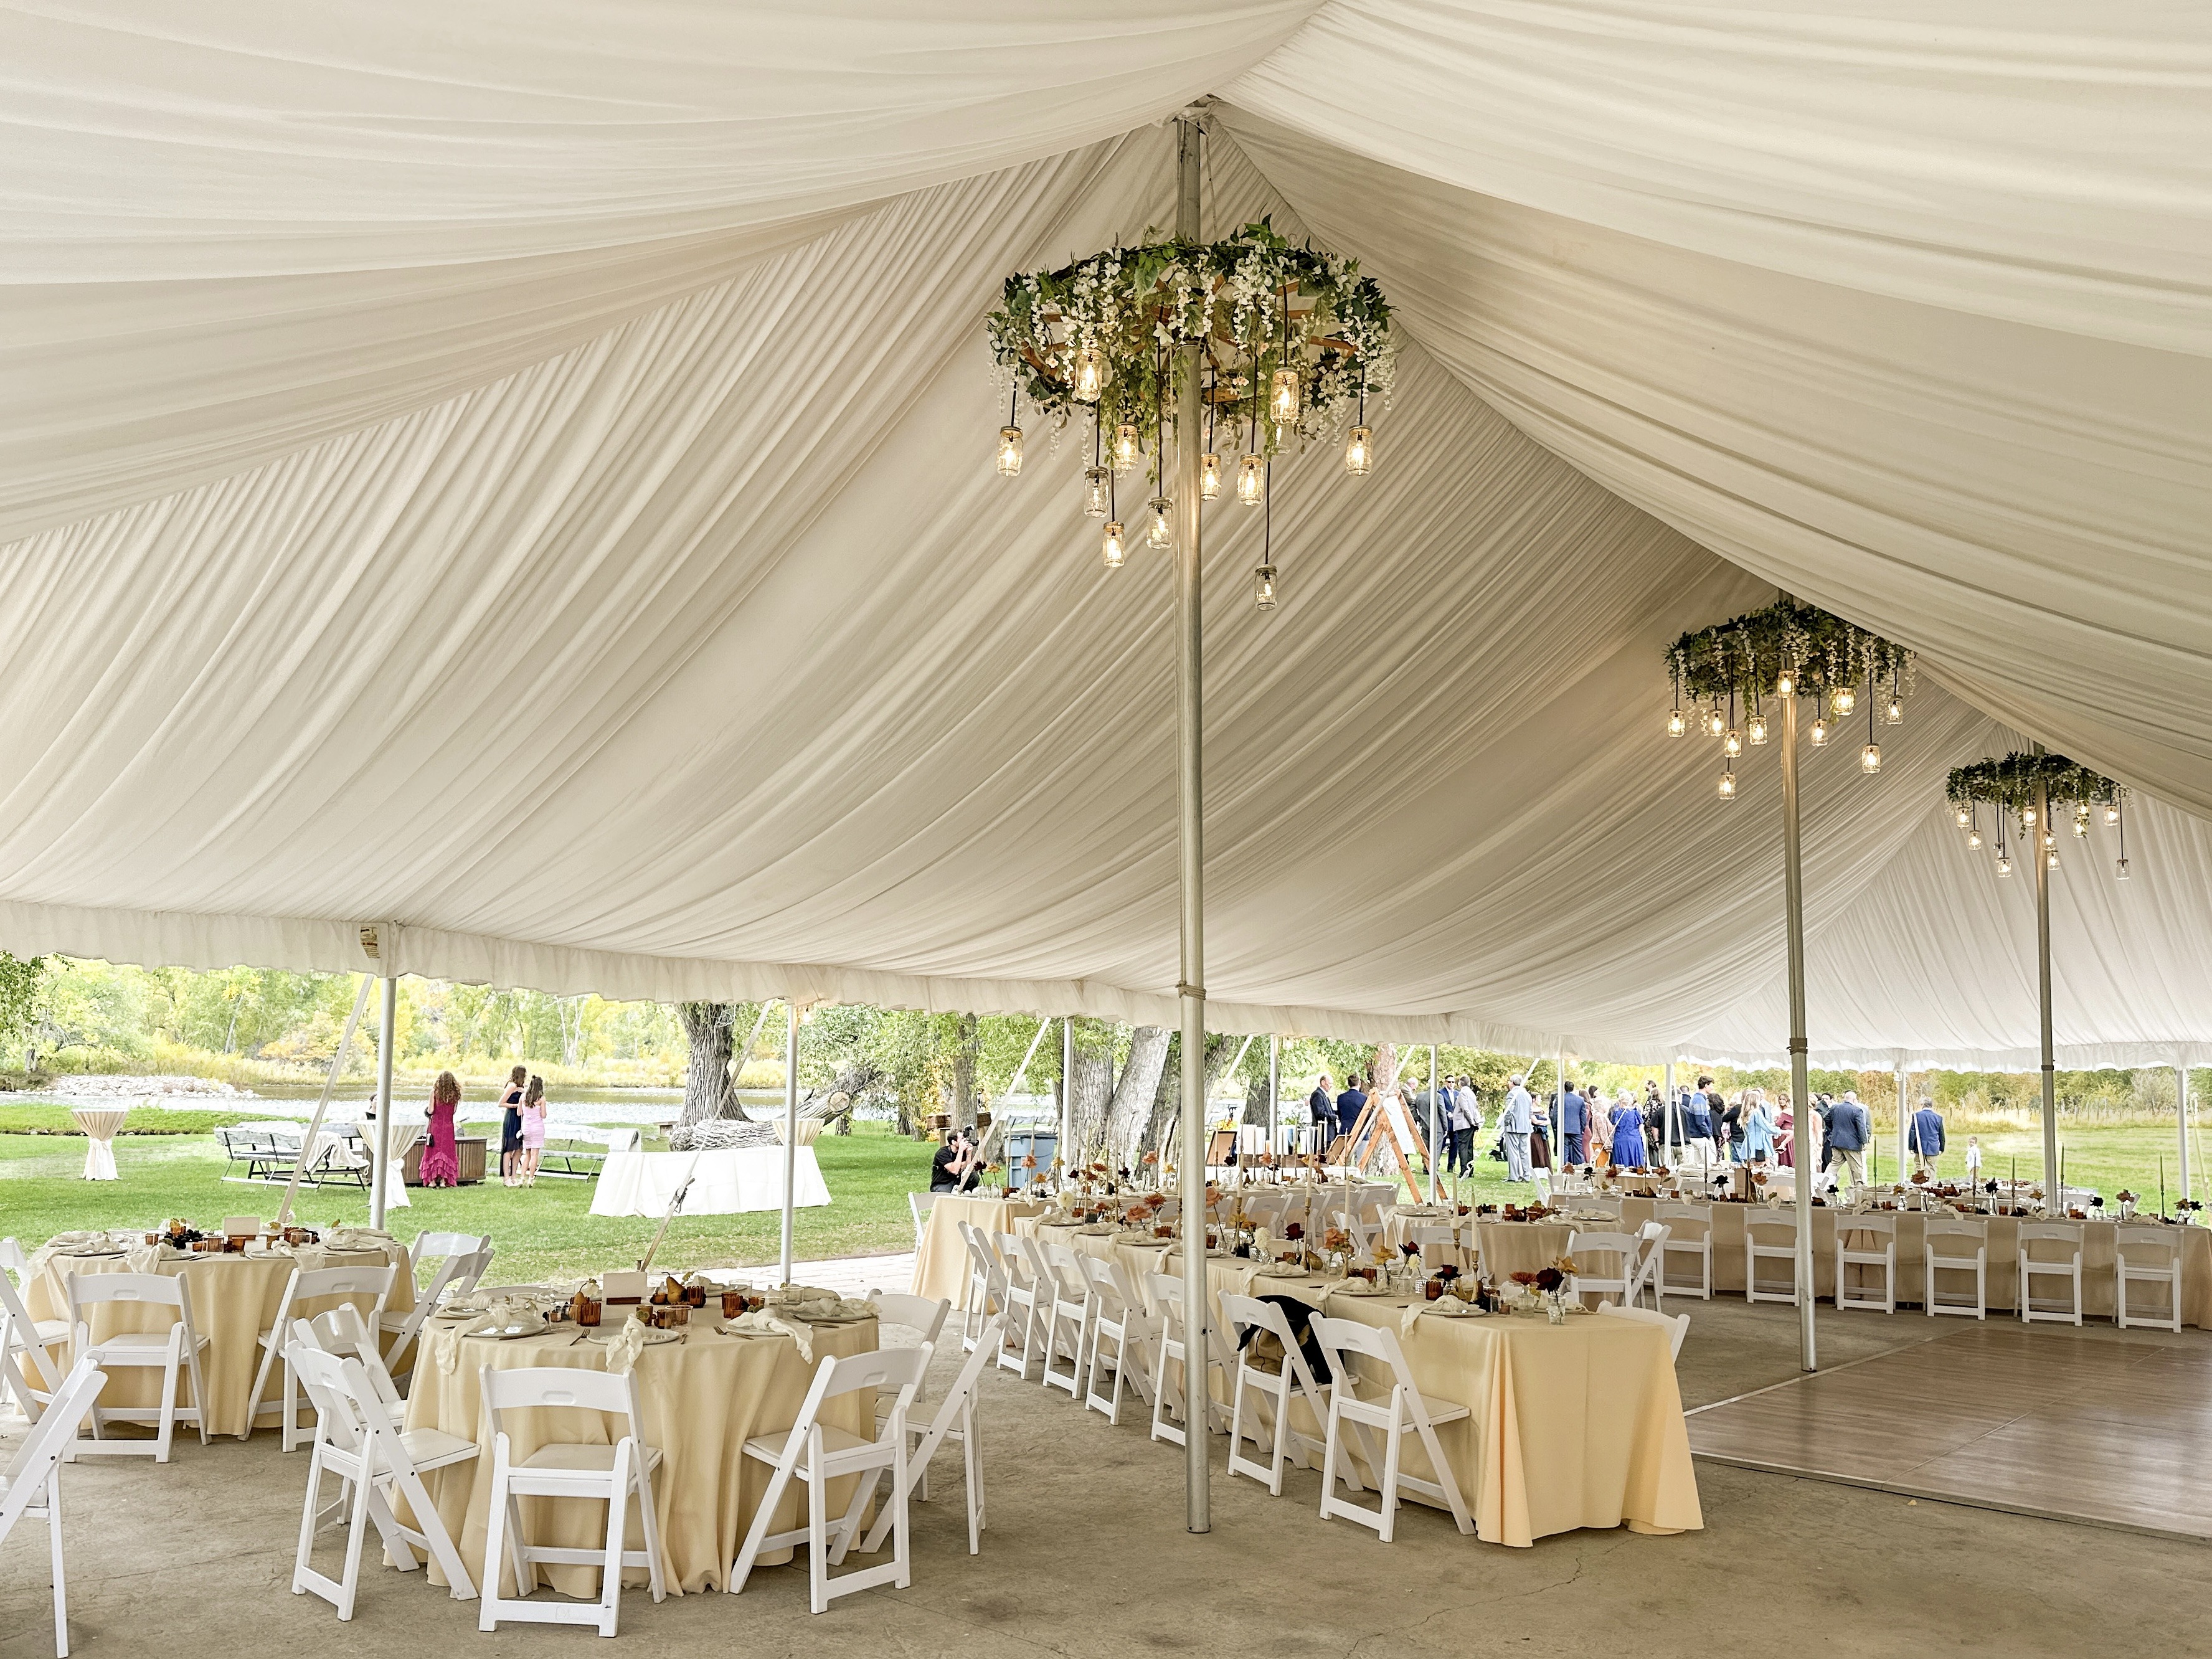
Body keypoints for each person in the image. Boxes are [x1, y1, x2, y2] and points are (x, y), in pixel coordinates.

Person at [419, 1070, 461, 1188]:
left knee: (433, 1151)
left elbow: (431, 1110)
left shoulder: (435, 1092)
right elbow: (454, 1112)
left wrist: (426, 1111)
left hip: (435, 1125)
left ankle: (432, 1181)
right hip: (448, 1126)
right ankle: (443, 1181)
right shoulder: (455, 1095)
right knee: (447, 1151)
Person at [1827, 1090, 1871, 1189]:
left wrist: (1833, 1131)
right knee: (1856, 1167)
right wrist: (1864, 1142)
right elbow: (1862, 1128)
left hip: (1836, 1142)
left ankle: (1824, 1184)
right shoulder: (1857, 1110)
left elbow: (1826, 1119)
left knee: (1834, 1164)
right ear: (1854, 1100)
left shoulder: (1835, 1108)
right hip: (1852, 1144)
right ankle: (1858, 1188)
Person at [515, 1074, 549, 1187]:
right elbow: (543, 1115)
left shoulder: (523, 1097)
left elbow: (519, 1113)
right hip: (537, 1128)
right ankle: (531, 1179)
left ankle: (522, 1178)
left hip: (526, 1128)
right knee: (535, 1154)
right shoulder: (541, 1099)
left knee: (527, 1153)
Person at [497, 1062, 527, 1185]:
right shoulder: (512, 1086)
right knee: (509, 1148)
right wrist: (517, 1106)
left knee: (519, 1148)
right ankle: (506, 1178)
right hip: (511, 1117)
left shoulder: (522, 1087)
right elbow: (501, 1103)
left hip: (520, 1119)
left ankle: (514, 1176)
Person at [930, 1125, 984, 1193]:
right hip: (943, 1184)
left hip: (957, 1181)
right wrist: (961, 1150)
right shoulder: (942, 1153)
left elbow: (965, 1169)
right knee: (947, 1196)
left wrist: (969, 1155)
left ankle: (966, 1195)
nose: (964, 1141)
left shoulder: (962, 1151)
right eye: (962, 1139)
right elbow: (954, 1170)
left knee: (974, 1177)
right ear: (953, 1142)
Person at [1447, 1077, 1482, 1175]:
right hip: (1470, 1124)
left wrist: (1472, 1122)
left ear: (1459, 1084)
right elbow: (1475, 1109)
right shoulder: (1472, 1093)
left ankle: (1464, 1171)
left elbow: (1465, 1109)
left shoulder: (1462, 1093)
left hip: (1464, 1125)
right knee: (1469, 1147)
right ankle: (1470, 1170)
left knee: (1463, 1147)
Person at [1907, 1096, 1947, 1175]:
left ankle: (1919, 1183)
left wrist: (1911, 1147)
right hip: (1933, 1146)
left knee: (1919, 1166)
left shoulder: (1916, 1116)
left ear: (1922, 1105)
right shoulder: (1938, 1118)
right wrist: (1942, 1148)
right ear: (1931, 1105)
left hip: (1920, 1146)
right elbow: (1941, 1135)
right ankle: (1931, 1184)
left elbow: (1912, 1132)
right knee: (1932, 1167)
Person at [1609, 1089, 1648, 1167]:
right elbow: (1641, 1126)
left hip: (1620, 1139)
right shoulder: (1635, 1112)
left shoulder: (1617, 1113)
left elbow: (1613, 1128)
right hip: (1634, 1139)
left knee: (1621, 1163)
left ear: (1621, 1102)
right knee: (1635, 1161)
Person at [1558, 1080, 1587, 1166]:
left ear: (1565, 1088)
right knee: (1578, 1151)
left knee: (1564, 1151)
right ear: (1573, 1088)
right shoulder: (1580, 1100)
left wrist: (1556, 1126)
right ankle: (1580, 1169)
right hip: (1576, 1129)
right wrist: (1582, 1128)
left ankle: (1564, 1169)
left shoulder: (1560, 1098)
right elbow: (1583, 1116)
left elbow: (1556, 1114)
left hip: (1563, 1128)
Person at [1742, 1087, 1775, 1163]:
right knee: (1762, 1169)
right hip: (1759, 1145)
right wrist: (1782, 1131)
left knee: (1750, 1168)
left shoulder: (1746, 1114)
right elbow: (1767, 1127)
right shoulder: (1756, 1113)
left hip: (1748, 1145)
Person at [1309, 1072, 1336, 1150]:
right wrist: (1334, 1117)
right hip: (1322, 1133)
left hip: (1327, 1133)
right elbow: (1320, 1113)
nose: (1331, 1086)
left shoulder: (1323, 1095)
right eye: (1330, 1083)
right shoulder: (1318, 1095)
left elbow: (1328, 1111)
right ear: (1323, 1082)